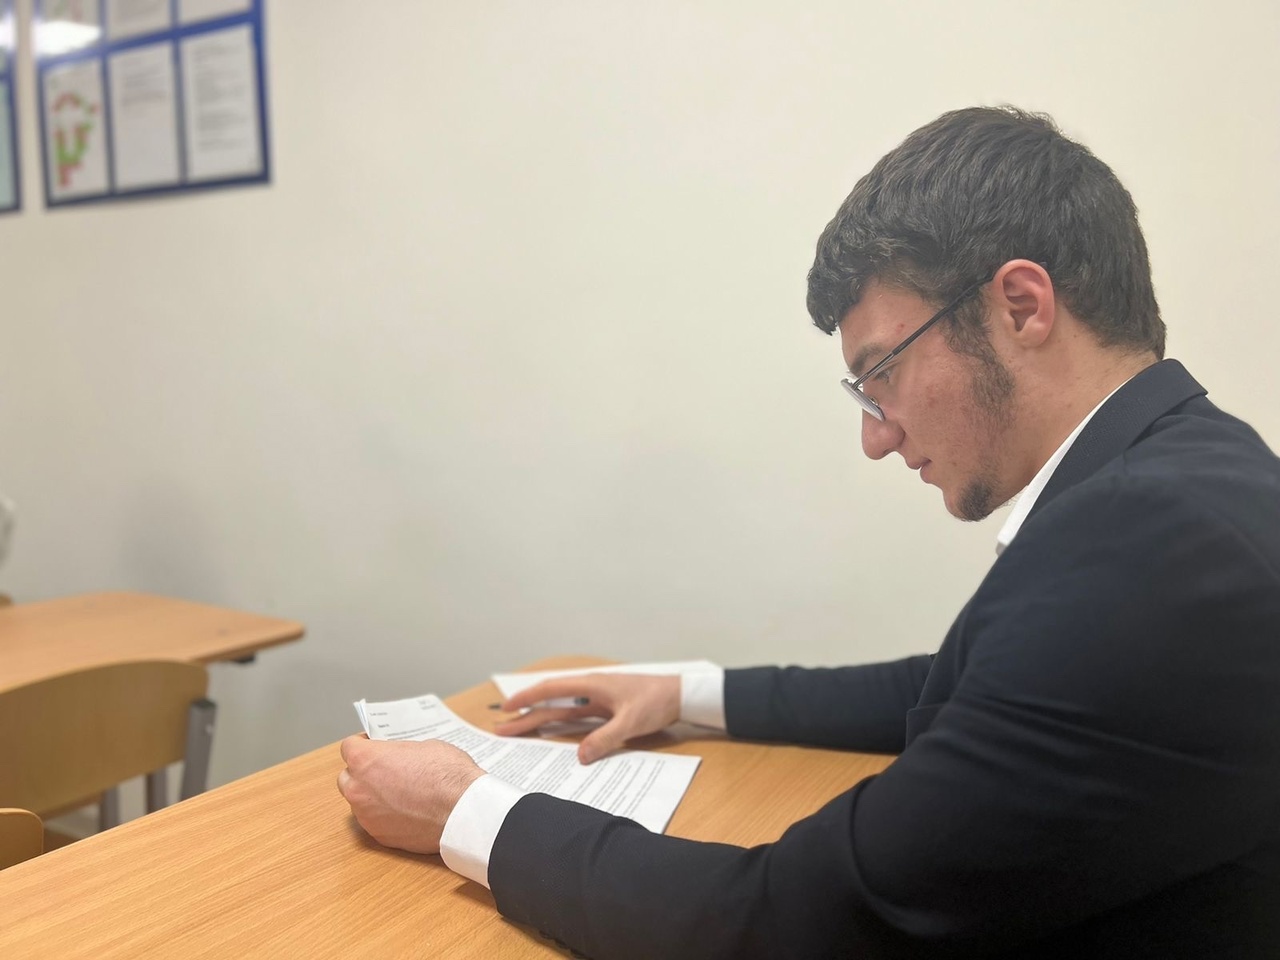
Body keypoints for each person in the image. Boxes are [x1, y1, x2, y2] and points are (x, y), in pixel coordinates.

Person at [337, 106, 1280, 958]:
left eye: (883, 373)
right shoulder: (1189, 477)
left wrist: (468, 812)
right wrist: (686, 693)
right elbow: (969, 693)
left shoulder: (1150, 546)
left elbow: (793, 921)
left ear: (1021, 306)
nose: (877, 437)